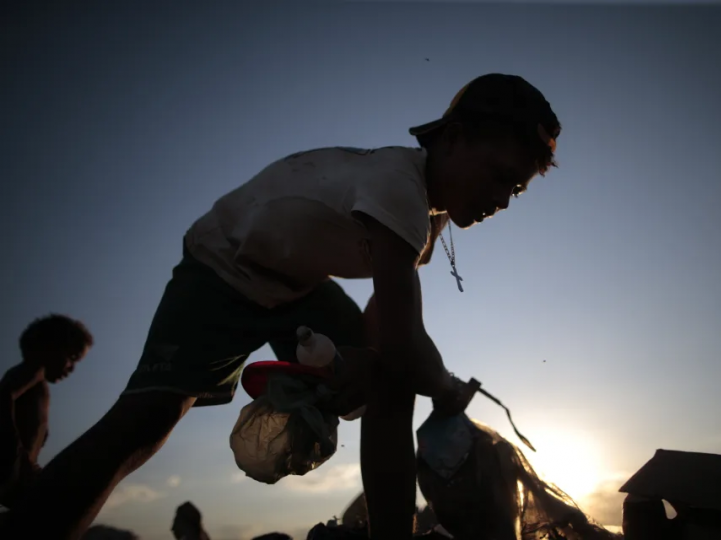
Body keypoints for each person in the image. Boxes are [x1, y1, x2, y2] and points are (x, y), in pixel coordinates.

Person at [3, 73, 561, 540]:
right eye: (499, 176)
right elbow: (404, 332)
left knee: (391, 380)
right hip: (223, 266)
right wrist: (443, 387)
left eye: (516, 190)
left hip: (297, 289)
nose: (503, 199)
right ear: (455, 138)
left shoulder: (427, 218)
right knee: (147, 420)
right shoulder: (400, 187)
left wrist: (386, 364)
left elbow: (385, 324)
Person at [0, 314, 93, 509]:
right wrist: (13, 454)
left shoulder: (39, 386)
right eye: (72, 357)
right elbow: (2, 396)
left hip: (20, 476)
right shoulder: (33, 371)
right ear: (50, 347)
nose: (72, 368)